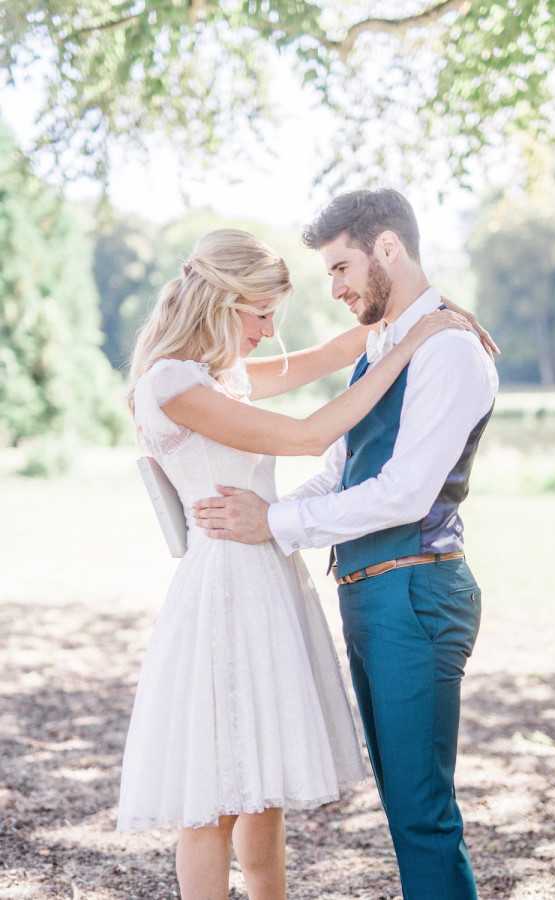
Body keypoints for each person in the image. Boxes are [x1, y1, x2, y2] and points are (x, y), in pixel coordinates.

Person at [117, 226, 480, 900]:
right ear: (222, 302)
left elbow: (335, 351)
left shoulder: (219, 374)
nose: (265, 333)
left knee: (264, 784)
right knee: (218, 791)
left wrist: (432, 315)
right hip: (223, 585)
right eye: (259, 316)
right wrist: (410, 347)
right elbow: (312, 434)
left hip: (265, 577)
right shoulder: (173, 382)